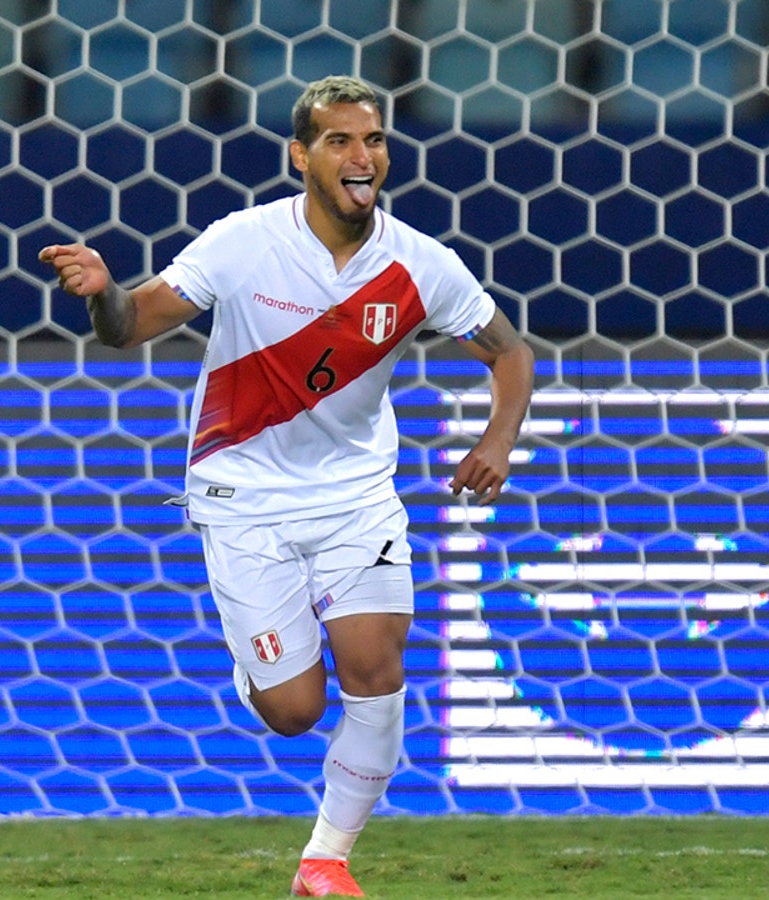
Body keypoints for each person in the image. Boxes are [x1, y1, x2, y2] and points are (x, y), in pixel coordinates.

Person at [40, 75, 535, 895]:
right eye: (340, 141)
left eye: (372, 140)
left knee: (377, 668)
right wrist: (104, 295)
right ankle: (258, 660)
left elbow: (510, 353)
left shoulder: (421, 263)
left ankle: (325, 861)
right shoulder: (243, 242)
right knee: (295, 710)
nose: (361, 156)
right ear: (301, 156)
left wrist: (500, 436)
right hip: (245, 497)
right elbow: (133, 326)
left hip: (355, 497)